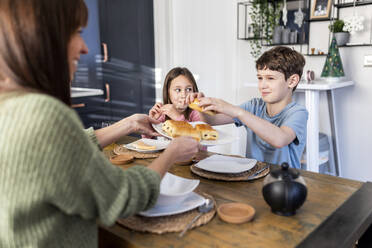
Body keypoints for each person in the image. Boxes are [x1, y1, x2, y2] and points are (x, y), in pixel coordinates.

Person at [0, 0, 199, 247]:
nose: (85, 48)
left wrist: (128, 123)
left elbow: (65, 150)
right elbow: (121, 196)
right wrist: (171, 154)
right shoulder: (43, 113)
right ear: (43, 38)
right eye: (76, 33)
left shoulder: (8, 105)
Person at [187, 46, 308, 169]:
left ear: (292, 81)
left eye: (270, 78)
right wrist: (200, 105)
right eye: (260, 78)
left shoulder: (298, 113)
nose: (262, 85)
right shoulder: (254, 106)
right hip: (253, 177)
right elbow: (211, 120)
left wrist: (238, 112)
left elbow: (280, 139)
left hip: (284, 183)